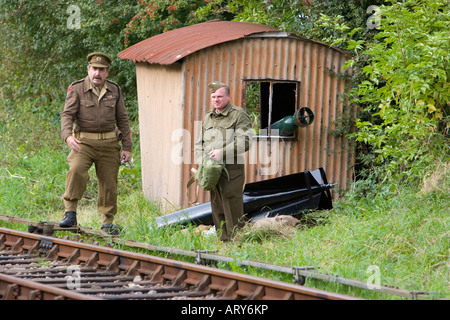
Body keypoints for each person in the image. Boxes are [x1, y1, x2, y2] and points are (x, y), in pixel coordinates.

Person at [60, 52, 132, 235]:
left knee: (109, 182)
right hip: (82, 143)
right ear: (88, 70)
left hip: (109, 143)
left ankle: (107, 222)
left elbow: (122, 118)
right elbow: (67, 115)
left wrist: (127, 146)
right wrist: (68, 136)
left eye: (101, 70)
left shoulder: (114, 90)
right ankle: (70, 213)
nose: (97, 73)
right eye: (94, 69)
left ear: (107, 72)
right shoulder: (76, 89)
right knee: (76, 170)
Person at [195, 81, 253, 241]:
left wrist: (223, 152)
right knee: (217, 207)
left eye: (220, 96)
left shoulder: (238, 115)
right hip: (211, 171)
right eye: (213, 97)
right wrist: (202, 161)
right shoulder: (209, 117)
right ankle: (223, 241)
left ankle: (238, 242)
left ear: (228, 96)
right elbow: (199, 142)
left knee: (232, 207)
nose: (216, 100)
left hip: (231, 171)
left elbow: (245, 141)